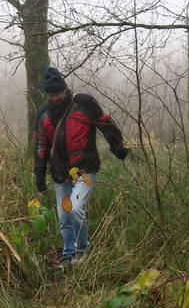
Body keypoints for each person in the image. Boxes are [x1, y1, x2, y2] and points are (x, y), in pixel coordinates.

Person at [34, 66, 129, 267]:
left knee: (76, 209)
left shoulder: (83, 103)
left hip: (85, 169)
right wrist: (39, 175)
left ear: (65, 90)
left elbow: (105, 123)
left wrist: (117, 146)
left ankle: (83, 251)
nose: (54, 99)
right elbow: (41, 145)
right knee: (64, 217)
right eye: (50, 95)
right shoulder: (43, 114)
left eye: (58, 94)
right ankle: (69, 254)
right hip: (60, 173)